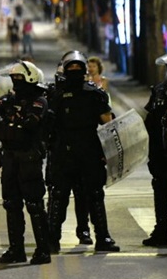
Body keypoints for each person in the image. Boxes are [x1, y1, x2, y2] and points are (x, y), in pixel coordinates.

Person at [46, 51, 119, 253]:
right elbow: (108, 122)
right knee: (76, 195)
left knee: (74, 195)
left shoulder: (55, 94)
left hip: (74, 150)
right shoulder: (92, 93)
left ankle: (54, 241)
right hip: (82, 150)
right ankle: (100, 238)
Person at [0, 61, 51, 265]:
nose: (16, 83)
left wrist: (14, 112)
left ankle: (43, 250)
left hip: (29, 157)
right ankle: (16, 250)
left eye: (19, 79)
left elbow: (31, 123)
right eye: (13, 79)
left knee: (35, 205)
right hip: (10, 156)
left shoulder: (39, 101)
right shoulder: (11, 99)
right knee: (11, 204)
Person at [141, 52, 167, 249]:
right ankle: (161, 231)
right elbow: (150, 118)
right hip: (160, 149)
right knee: (161, 189)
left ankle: (165, 232)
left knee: (162, 189)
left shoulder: (161, 89)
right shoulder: (160, 89)